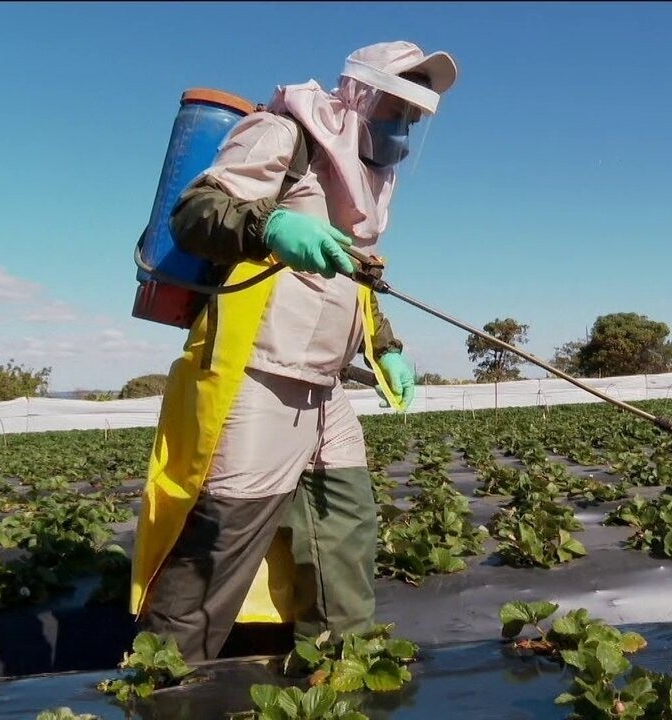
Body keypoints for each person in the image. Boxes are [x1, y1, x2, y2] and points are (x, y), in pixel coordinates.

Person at [127, 41, 458, 662]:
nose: (400, 127)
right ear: (359, 94)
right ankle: (163, 672)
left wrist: (386, 347)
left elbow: (356, 281)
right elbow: (196, 212)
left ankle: (340, 658)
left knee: (346, 520)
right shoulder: (283, 134)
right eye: (393, 107)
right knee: (225, 531)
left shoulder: (368, 183)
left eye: (412, 118)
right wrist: (271, 226)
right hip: (258, 369)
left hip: (324, 383)